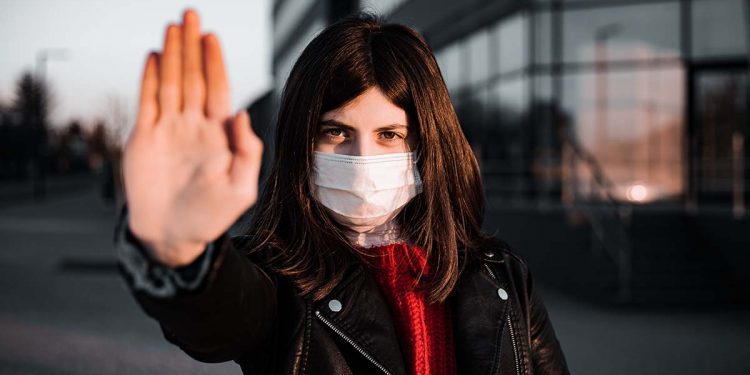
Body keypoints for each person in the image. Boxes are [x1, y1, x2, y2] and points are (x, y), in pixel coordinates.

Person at [114, 9, 570, 375]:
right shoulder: (279, 278)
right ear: (300, 141)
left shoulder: (502, 276)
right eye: (335, 131)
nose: (361, 158)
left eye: (390, 134)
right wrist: (183, 252)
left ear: (429, 145)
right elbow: (217, 315)